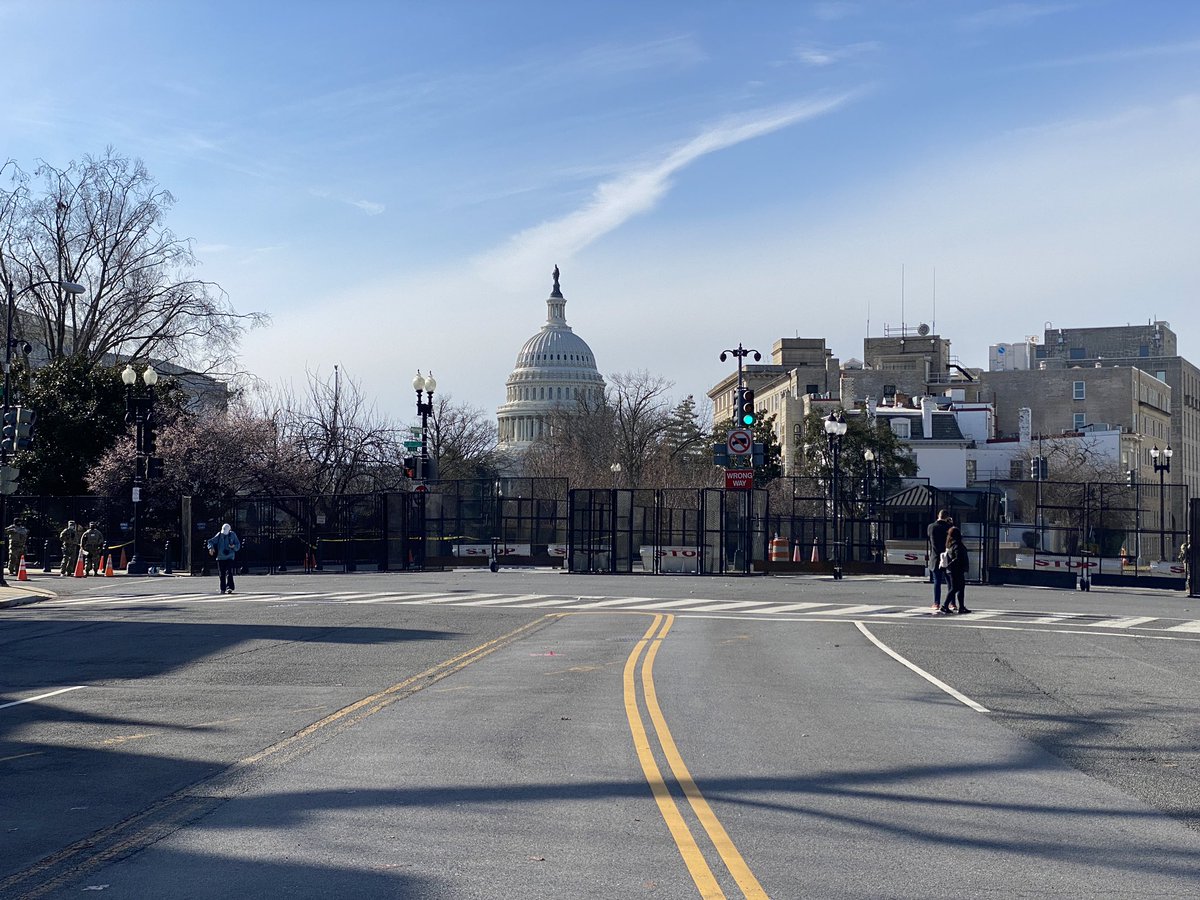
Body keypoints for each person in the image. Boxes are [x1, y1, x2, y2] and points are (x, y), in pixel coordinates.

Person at [939, 526, 972, 615]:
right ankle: (945, 606)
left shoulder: (951, 545)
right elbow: (957, 558)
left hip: (953, 570)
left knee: (959, 588)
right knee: (955, 588)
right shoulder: (957, 545)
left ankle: (960, 606)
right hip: (956, 570)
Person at [206, 523, 242, 594]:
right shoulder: (219, 535)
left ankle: (230, 587)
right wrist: (211, 548)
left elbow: (238, 545)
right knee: (221, 574)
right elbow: (210, 541)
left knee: (229, 572)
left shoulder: (233, 535)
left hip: (230, 556)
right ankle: (222, 588)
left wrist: (233, 546)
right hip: (220, 557)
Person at [927, 510, 952, 610]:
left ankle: (936, 602)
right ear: (947, 517)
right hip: (947, 556)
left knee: (937, 581)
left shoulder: (931, 527)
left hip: (935, 556)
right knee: (950, 581)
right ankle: (952, 603)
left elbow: (930, 538)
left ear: (938, 515)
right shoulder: (948, 527)